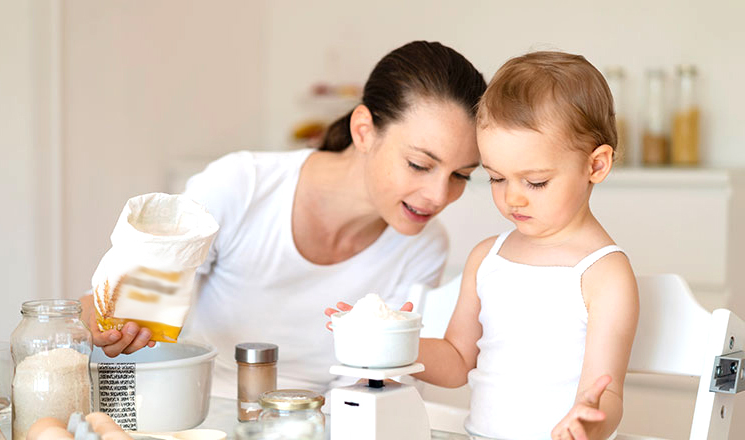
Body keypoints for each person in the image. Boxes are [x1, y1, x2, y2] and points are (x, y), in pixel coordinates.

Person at [81, 40, 487, 397]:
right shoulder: (244, 186)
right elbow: (116, 301)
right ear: (364, 130)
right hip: (199, 411)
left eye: (461, 176)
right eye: (419, 164)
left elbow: (371, 380)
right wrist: (110, 325)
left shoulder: (424, 244)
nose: (439, 195)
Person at [327, 51, 638, 440]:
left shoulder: (603, 273)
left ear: (596, 166)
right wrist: (387, 336)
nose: (513, 199)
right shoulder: (487, 257)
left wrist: (592, 420)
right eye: (496, 178)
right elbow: (458, 361)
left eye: (535, 182)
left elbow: (606, 392)